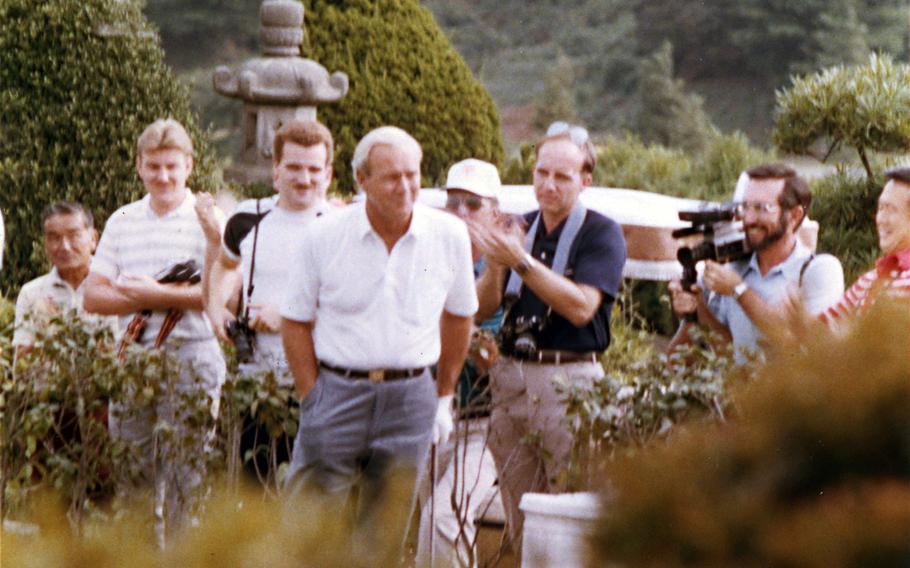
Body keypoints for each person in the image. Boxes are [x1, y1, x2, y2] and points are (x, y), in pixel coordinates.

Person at [280, 126, 477, 543]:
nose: (405, 187)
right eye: (391, 177)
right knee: (307, 532)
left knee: (383, 537)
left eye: (413, 174)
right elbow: (295, 321)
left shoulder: (449, 236)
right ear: (361, 180)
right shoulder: (325, 235)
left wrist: (443, 397)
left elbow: (459, 317)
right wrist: (312, 396)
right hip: (336, 392)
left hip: (410, 402)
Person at [470, 121, 627, 550]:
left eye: (562, 176)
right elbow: (484, 307)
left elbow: (581, 307)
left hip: (568, 378)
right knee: (521, 517)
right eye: (541, 173)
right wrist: (498, 261)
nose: (549, 185)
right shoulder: (522, 225)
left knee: (573, 511)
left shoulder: (600, 232)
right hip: (513, 378)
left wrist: (518, 260)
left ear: (585, 179)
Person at [83, 118, 226, 540]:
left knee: (189, 479)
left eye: (172, 166)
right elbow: (93, 296)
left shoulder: (209, 219)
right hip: (134, 359)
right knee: (134, 480)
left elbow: (221, 297)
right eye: (153, 166)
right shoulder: (122, 219)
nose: (163, 176)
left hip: (192, 356)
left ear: (189, 165)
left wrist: (153, 293)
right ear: (139, 166)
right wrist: (150, 297)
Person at [203, 119, 335, 485]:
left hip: (321, 388)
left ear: (328, 173)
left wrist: (292, 317)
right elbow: (225, 268)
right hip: (257, 387)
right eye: (294, 167)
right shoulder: (247, 218)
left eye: (313, 169)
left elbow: (357, 306)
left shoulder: (342, 227)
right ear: (276, 171)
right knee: (256, 497)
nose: (304, 179)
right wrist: (217, 310)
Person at [416, 159, 504, 567]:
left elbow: (492, 360)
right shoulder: (424, 259)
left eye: (473, 204)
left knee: (444, 518)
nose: (462, 214)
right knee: (405, 521)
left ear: (495, 213)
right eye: (454, 203)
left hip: (481, 423)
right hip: (423, 416)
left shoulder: (503, 271)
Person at [668, 163, 844, 362]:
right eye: (745, 207)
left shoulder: (819, 269)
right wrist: (697, 306)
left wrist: (739, 290)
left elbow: (800, 346)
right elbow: (728, 350)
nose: (750, 218)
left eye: (763, 208)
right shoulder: (734, 269)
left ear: (795, 216)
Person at [13, 202, 116, 360]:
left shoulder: (116, 285)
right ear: (45, 244)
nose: (65, 247)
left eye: (74, 235)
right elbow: (21, 362)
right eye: (54, 238)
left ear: (93, 239)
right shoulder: (31, 294)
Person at [822, 167, 910, 321]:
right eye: (881, 208)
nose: (881, 219)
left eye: (890, 209)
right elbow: (820, 330)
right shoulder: (870, 280)